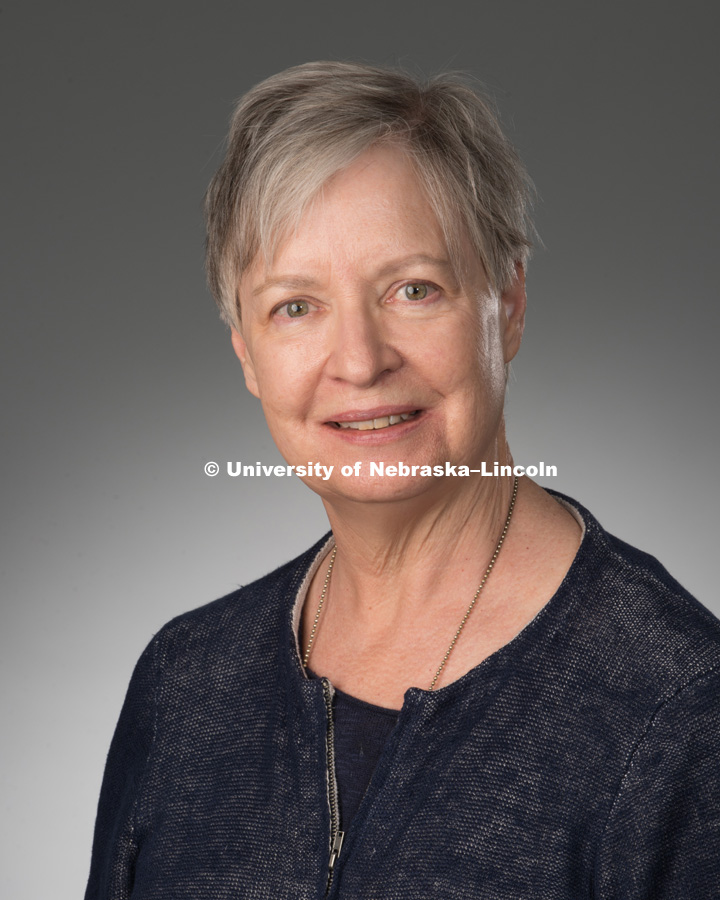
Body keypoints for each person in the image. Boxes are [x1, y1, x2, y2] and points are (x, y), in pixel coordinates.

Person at [84, 61, 720, 899]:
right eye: (295, 306)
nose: (360, 361)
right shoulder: (185, 684)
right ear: (245, 351)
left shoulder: (678, 708)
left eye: (413, 289)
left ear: (509, 300)